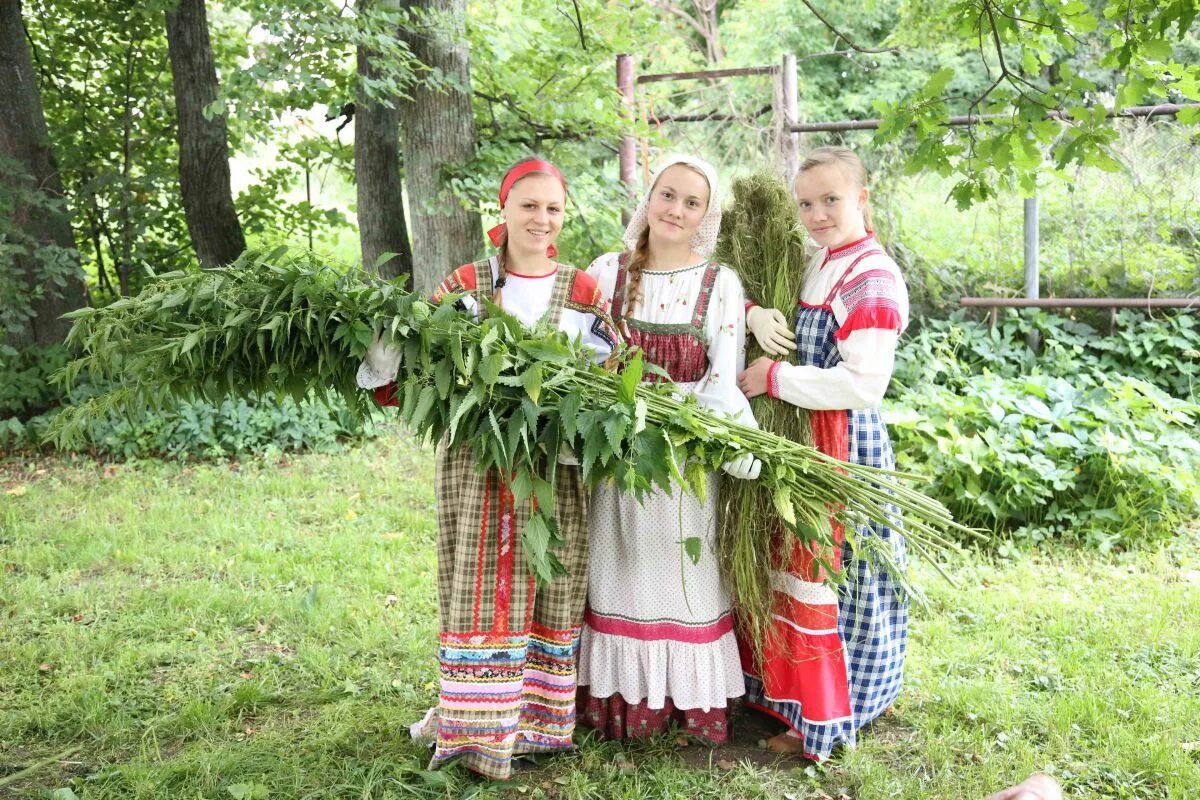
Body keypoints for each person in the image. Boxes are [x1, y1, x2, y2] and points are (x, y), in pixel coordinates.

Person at [357, 158, 616, 780]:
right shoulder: (468, 284)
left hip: (554, 464)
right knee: (479, 578)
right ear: (504, 210)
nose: (541, 219)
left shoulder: (582, 291)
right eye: (529, 205)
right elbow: (424, 363)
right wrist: (383, 347)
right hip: (479, 459)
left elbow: (612, 369)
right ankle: (475, 723)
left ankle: (535, 723)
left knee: (548, 574)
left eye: (553, 208)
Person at [576, 154, 761, 745]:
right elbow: (578, 355)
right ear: (649, 199)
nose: (676, 210)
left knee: (687, 572)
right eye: (668, 195)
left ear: (706, 215)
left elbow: (722, 379)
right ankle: (620, 707)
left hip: (685, 459)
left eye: (692, 202)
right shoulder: (607, 273)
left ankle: (690, 707)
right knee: (618, 567)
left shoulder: (718, 282)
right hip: (615, 451)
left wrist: (682, 418)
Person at [736, 145, 910, 760]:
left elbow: (864, 384)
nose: (816, 214)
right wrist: (754, 311)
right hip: (799, 440)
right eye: (806, 203)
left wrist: (774, 379)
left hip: (843, 446)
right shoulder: (819, 262)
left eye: (830, 199)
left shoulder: (871, 276)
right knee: (794, 566)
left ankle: (841, 710)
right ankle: (792, 698)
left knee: (843, 573)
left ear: (862, 198)